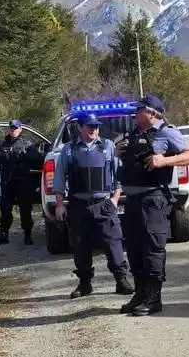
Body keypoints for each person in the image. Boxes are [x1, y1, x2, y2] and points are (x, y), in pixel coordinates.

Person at [116, 94, 189, 316]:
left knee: (152, 249)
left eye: (139, 109)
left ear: (152, 113)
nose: (135, 112)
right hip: (132, 200)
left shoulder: (166, 132)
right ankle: (140, 294)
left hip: (153, 199)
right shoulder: (134, 134)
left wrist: (165, 160)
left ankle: (154, 298)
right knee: (133, 249)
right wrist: (118, 153)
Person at [54, 113, 134, 299]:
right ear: (79, 128)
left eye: (96, 126)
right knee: (81, 246)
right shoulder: (68, 150)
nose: (94, 130)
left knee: (113, 244)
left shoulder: (107, 146)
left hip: (103, 204)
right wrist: (60, 204)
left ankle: (121, 280)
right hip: (79, 206)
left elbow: (118, 175)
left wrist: (114, 199)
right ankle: (84, 283)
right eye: (89, 126)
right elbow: (59, 179)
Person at [0, 120, 41, 245]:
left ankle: (27, 236)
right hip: (8, 183)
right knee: (5, 210)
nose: (13, 130)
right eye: (11, 128)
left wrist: (24, 154)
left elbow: (38, 159)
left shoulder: (27, 144)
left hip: (23, 183)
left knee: (25, 210)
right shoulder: (4, 145)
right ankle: (3, 235)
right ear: (9, 129)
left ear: (20, 130)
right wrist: (7, 155)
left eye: (15, 128)